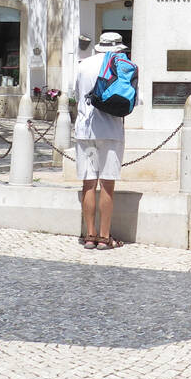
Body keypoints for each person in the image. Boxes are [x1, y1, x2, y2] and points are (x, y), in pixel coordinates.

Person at [72, 31, 132, 249]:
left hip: (86, 131)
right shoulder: (123, 64)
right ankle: (105, 238)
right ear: (118, 48)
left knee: (89, 183)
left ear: (99, 46)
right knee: (107, 185)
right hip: (111, 132)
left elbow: (76, 94)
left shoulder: (83, 65)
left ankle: (89, 236)